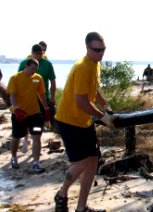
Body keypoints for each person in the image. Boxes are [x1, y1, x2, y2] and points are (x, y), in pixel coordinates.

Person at [54, 32, 116, 212]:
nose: (100, 53)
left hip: (84, 121)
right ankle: (62, 193)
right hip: (69, 121)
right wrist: (102, 117)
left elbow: (93, 89)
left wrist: (105, 105)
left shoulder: (95, 65)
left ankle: (81, 207)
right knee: (82, 161)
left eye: (103, 49)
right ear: (87, 48)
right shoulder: (82, 67)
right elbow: (80, 101)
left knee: (93, 159)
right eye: (96, 50)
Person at [6, 57, 48, 173]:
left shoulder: (37, 78)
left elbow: (41, 94)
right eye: (32, 68)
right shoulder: (15, 78)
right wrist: (16, 108)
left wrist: (46, 108)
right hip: (19, 115)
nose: (34, 71)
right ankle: (14, 157)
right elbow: (12, 96)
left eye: (36, 69)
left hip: (34, 114)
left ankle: (36, 163)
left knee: (36, 136)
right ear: (26, 66)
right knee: (16, 137)